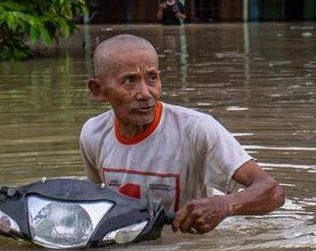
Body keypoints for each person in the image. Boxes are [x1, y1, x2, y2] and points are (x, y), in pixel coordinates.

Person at [80, 34, 283, 235]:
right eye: (129, 81)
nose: (145, 93)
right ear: (98, 90)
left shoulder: (196, 129)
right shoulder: (93, 133)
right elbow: (95, 203)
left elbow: (272, 191)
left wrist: (224, 205)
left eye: (152, 78)